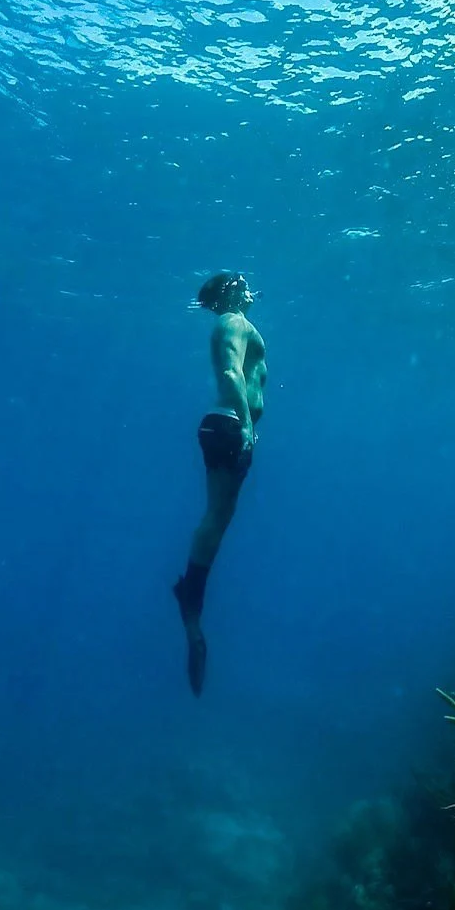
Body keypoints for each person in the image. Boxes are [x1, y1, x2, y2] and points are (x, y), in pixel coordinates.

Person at [173, 271, 267, 696]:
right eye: (243, 283)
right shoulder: (233, 323)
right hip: (230, 424)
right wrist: (247, 426)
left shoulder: (232, 323)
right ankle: (191, 594)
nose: (251, 288)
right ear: (230, 291)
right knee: (217, 516)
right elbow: (231, 373)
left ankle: (192, 600)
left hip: (223, 424)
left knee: (219, 516)